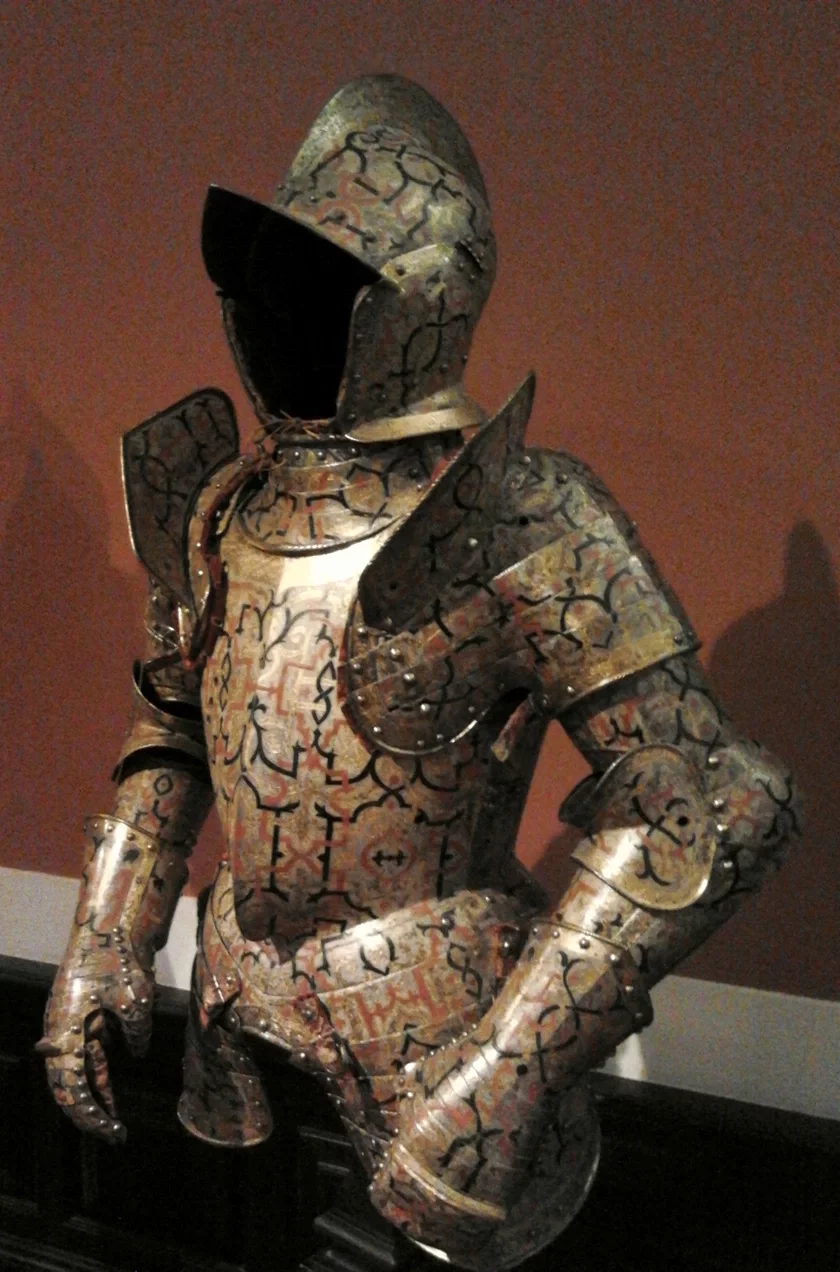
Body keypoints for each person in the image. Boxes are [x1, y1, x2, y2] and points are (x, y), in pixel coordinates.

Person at [38, 75, 800, 1269]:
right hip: (235, 1010)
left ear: (412, 306)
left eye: (315, 284)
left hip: (443, 1034)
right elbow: (173, 722)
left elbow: (717, 802)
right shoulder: (225, 504)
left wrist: (506, 1074)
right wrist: (106, 931)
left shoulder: (519, 515)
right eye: (264, 280)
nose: (270, 307)